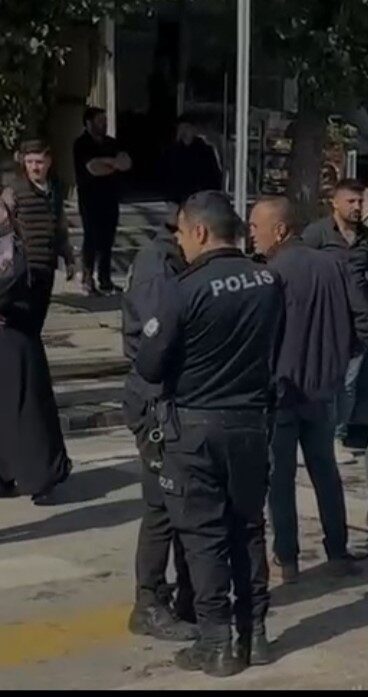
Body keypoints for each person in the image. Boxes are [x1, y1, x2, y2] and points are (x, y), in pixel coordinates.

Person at [135, 191, 284, 676]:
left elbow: (151, 365)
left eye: (180, 232)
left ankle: (216, 644)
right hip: (250, 424)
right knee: (248, 530)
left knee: (203, 537)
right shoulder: (267, 279)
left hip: (195, 428)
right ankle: (255, 635)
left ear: (199, 232)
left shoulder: (183, 289)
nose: (179, 242)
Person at [249, 196, 366, 584]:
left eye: (256, 227)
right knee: (325, 472)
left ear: (279, 230)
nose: (252, 236)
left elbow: (262, 337)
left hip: (283, 392)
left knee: (279, 479)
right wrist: (343, 360)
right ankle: (337, 550)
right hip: (323, 388)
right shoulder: (333, 265)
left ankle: (289, 559)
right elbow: (359, 317)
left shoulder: (271, 274)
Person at [120, 208, 196, 641]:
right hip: (153, 400)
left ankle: (184, 595)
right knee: (161, 509)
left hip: (167, 396)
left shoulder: (173, 262)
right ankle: (148, 602)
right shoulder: (158, 265)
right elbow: (154, 342)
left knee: (179, 504)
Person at [0, 200, 73, 503]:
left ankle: (42, 478)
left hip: (17, 337)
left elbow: (16, 285)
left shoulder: (18, 249)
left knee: (28, 414)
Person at [301, 179, 368, 454]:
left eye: (360, 201)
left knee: (347, 383)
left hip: (359, 323)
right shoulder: (317, 235)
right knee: (325, 382)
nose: (357, 207)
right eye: (351, 201)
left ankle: (337, 436)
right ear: (335, 202)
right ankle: (317, 435)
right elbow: (303, 274)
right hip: (325, 323)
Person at [3, 140, 77, 334]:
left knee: (37, 320)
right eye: (29, 162)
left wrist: (68, 258)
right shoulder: (14, 190)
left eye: (39, 162)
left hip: (46, 265)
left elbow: (59, 225)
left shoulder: (55, 189)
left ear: (49, 162)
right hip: (22, 269)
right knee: (19, 322)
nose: (34, 167)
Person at [74, 106, 131, 296]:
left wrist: (109, 163)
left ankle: (105, 280)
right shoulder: (81, 144)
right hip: (90, 199)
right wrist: (112, 163)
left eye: (105, 120)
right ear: (89, 123)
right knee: (91, 237)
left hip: (110, 197)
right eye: (100, 120)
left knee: (107, 240)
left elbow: (126, 162)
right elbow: (92, 168)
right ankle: (87, 279)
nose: (104, 124)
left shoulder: (111, 143)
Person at [160, 115, 222, 207]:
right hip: (177, 198)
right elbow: (166, 175)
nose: (183, 131)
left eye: (187, 128)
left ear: (194, 130)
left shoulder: (205, 150)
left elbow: (214, 177)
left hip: (200, 198)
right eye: (181, 128)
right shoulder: (172, 151)